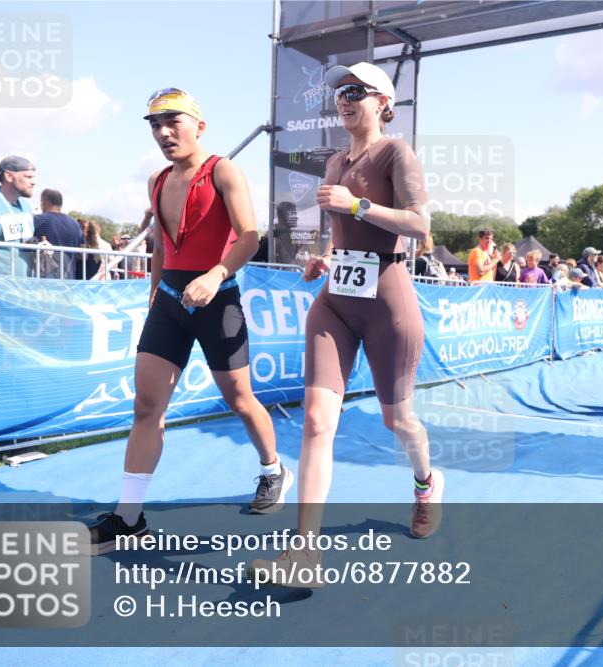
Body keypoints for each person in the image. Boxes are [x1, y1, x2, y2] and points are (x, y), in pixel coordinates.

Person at [250, 62, 439, 586]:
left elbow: (420, 224)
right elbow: (342, 231)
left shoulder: (396, 153)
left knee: (397, 421)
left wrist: (358, 202)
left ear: (383, 102)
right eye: (340, 92)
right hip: (336, 300)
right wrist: (325, 256)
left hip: (388, 299)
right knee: (315, 420)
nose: (345, 98)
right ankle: (304, 554)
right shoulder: (334, 161)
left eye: (357, 91)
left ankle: (425, 483)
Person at [88, 88, 285, 554]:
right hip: (171, 302)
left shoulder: (224, 171)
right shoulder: (156, 180)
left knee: (239, 398)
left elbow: (251, 238)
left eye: (173, 122)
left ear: (199, 125)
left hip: (217, 300)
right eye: (155, 125)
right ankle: (130, 517)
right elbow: (161, 241)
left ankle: (272, 468)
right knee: (146, 406)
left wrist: (217, 274)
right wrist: (154, 289)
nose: (163, 132)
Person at [33, 188, 84, 279]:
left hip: (44, 279)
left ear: (44, 200)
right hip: (68, 279)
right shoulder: (75, 224)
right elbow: (82, 252)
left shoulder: (38, 220)